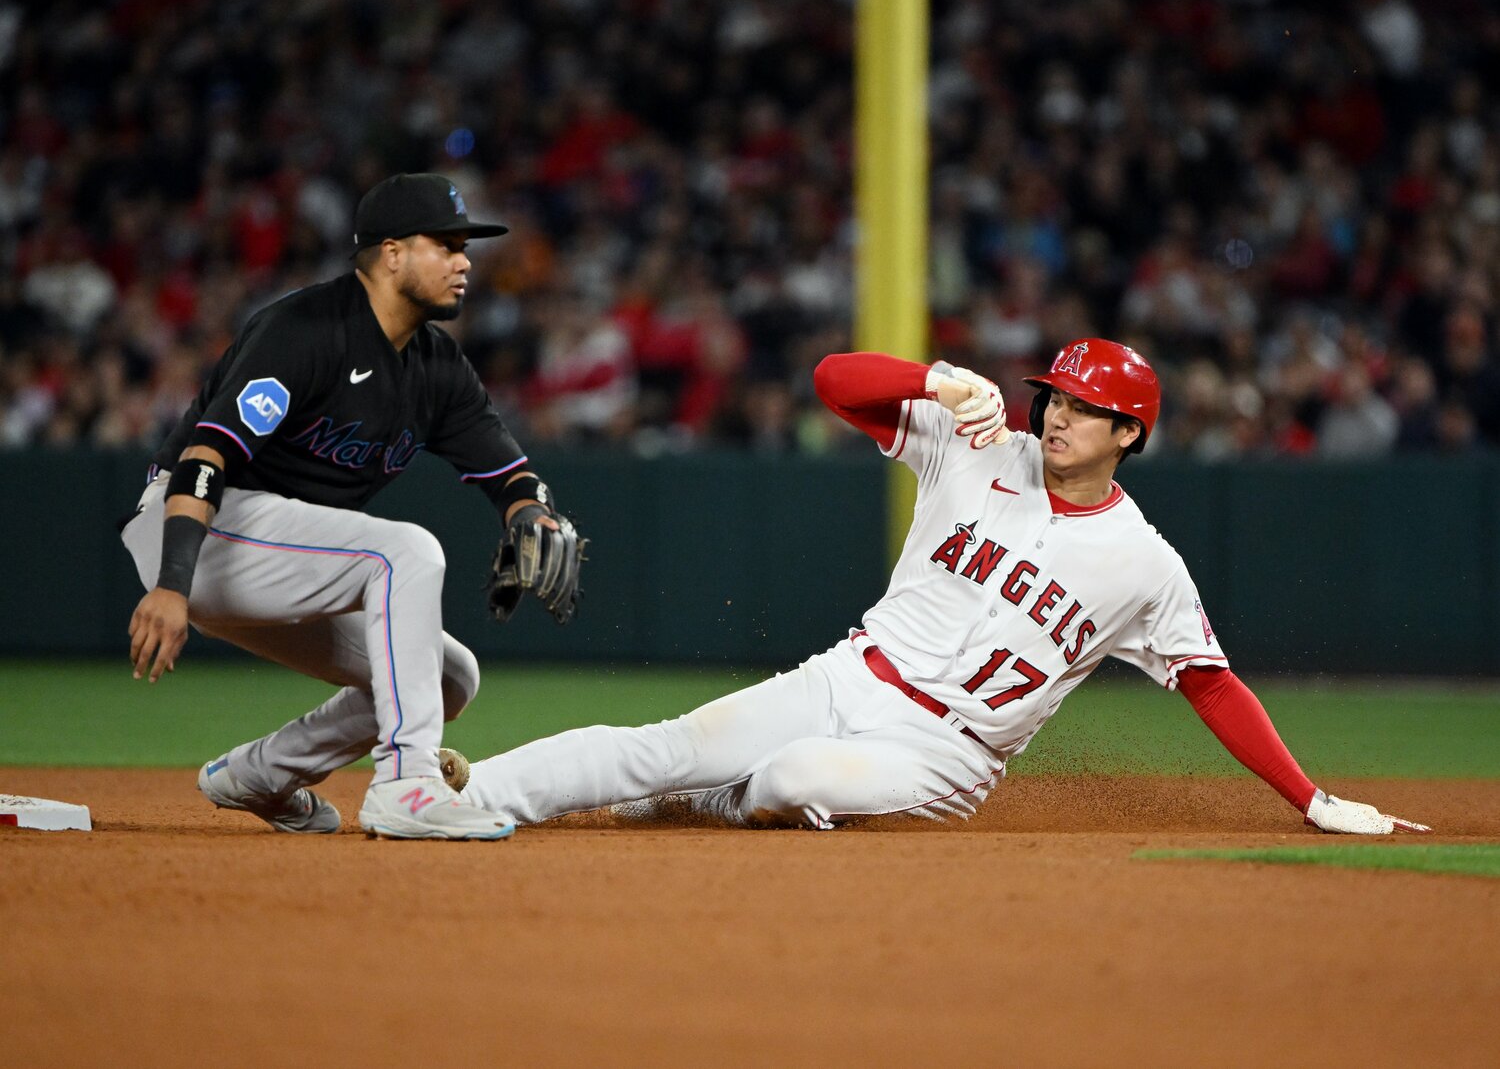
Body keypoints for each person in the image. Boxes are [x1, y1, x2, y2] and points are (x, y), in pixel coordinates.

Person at [444, 340, 1429, 836]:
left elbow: (1211, 682)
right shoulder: (979, 447)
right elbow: (834, 379)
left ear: (1131, 434)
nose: (1059, 416)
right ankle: (471, 792)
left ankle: (695, 805)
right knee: (667, 743)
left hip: (943, 756)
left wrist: (1309, 797)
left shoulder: (1145, 563)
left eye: (1090, 409)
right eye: (1056, 396)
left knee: (794, 779)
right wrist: (933, 378)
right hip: (851, 674)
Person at [121, 173, 583, 840]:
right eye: (447, 244)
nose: (465, 261)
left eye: (466, 247)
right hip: (196, 526)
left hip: (287, 555)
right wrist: (171, 583)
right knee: (404, 551)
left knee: (451, 676)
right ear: (392, 253)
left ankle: (260, 773)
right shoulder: (303, 329)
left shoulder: (437, 369)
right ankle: (406, 782)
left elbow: (510, 474)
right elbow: (205, 457)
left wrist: (531, 514)